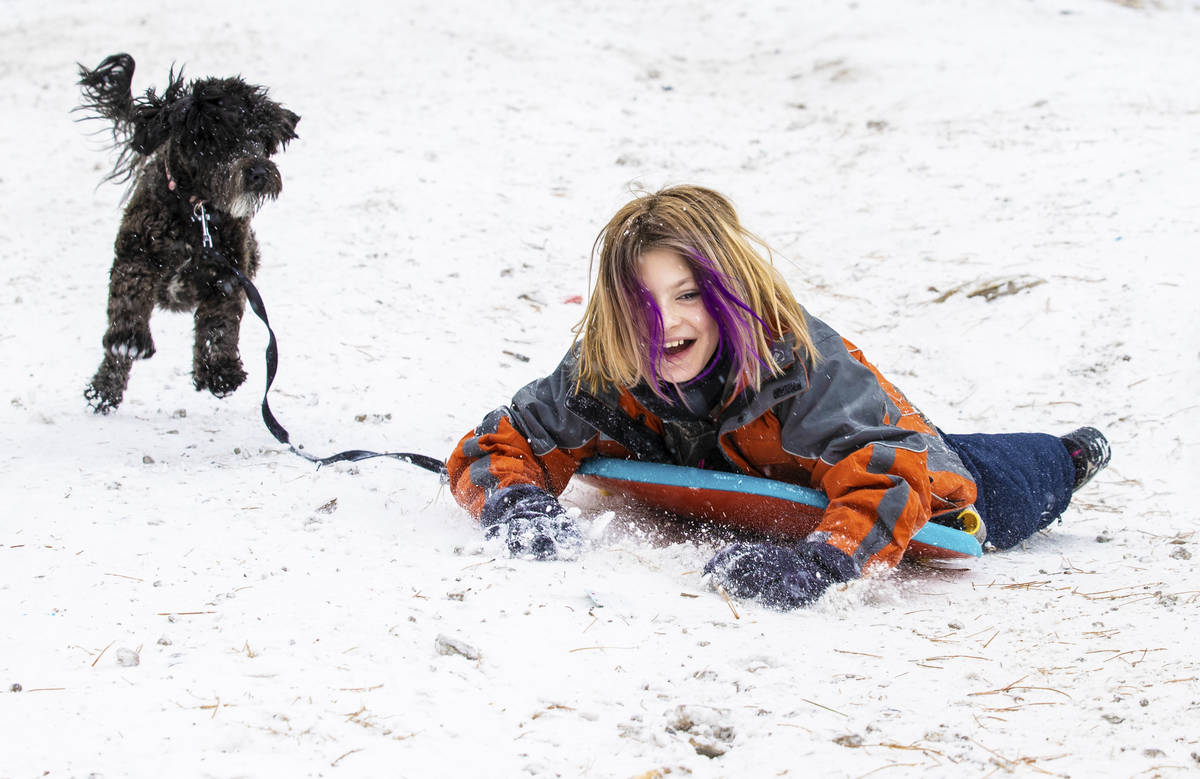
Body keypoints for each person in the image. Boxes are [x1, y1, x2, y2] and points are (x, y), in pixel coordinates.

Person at [446, 185, 1111, 610]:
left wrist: (821, 563)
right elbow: (503, 441)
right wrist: (514, 498)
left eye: (688, 296)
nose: (666, 325)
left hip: (898, 459)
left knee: (984, 484)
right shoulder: (603, 367)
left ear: (727, 295)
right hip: (761, 463)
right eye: (642, 304)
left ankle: (1070, 455)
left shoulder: (802, 369)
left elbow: (889, 471)